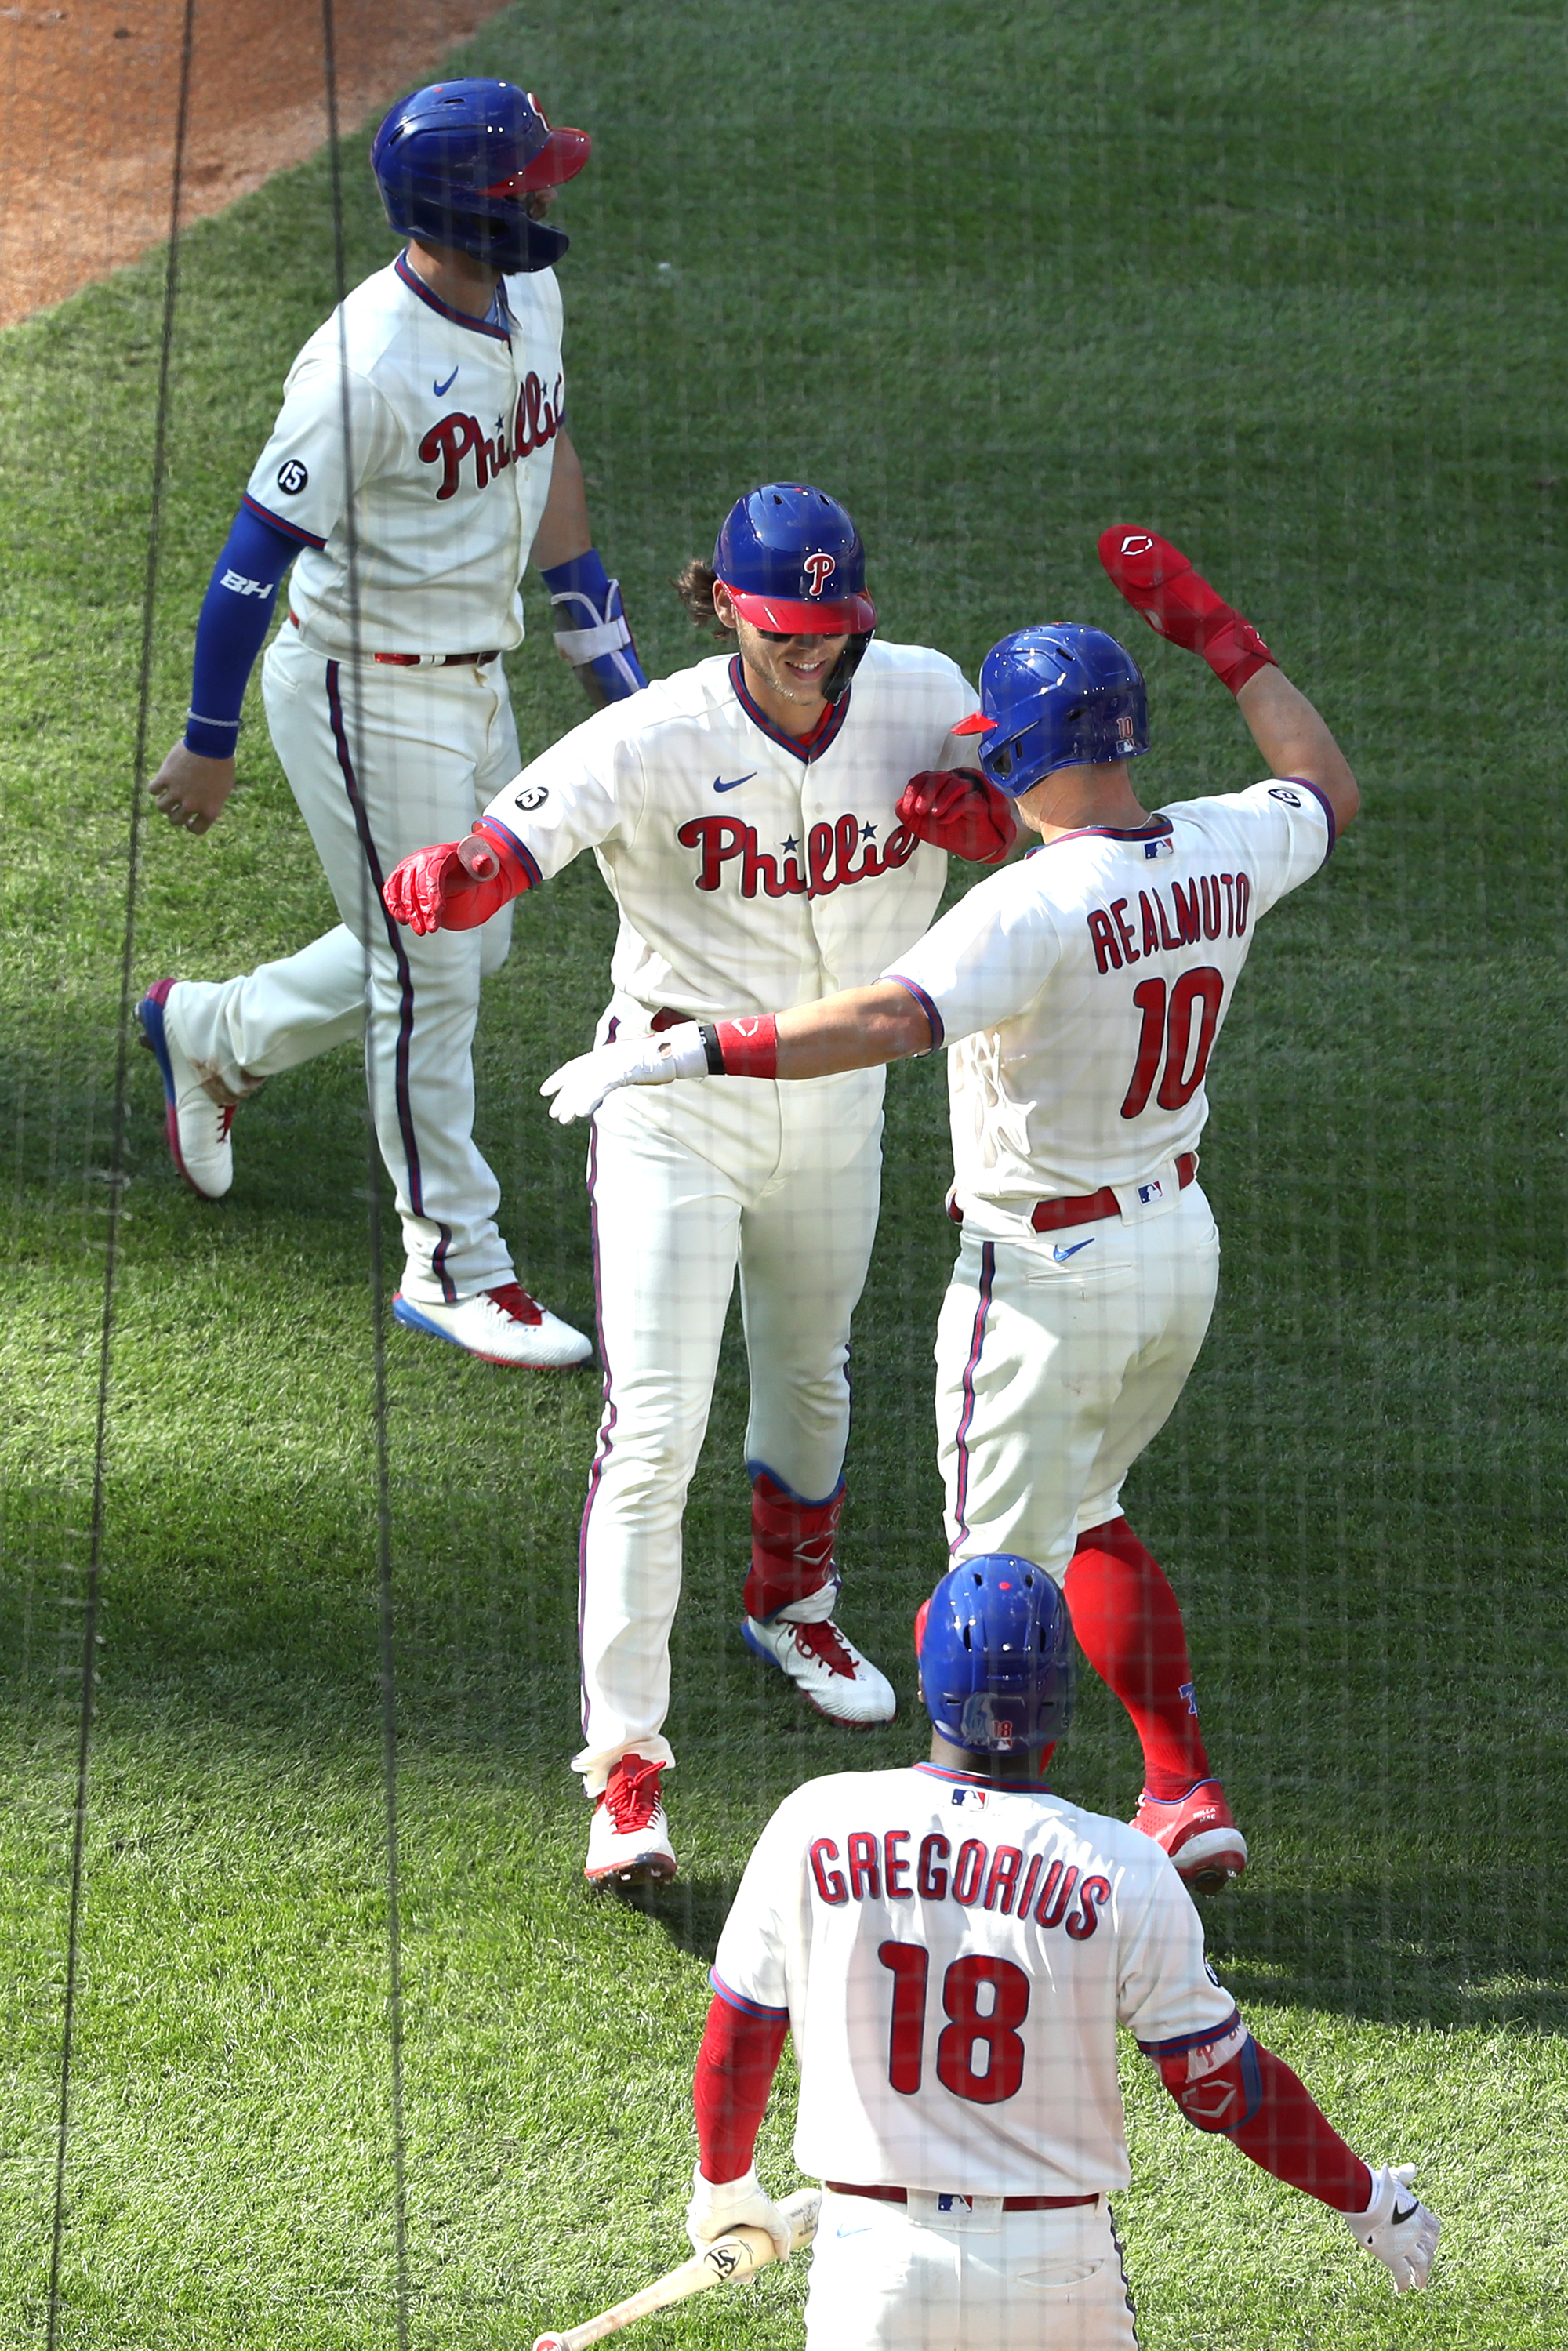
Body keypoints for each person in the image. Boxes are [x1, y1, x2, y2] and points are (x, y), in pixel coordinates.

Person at [538, 528, 1362, 1887]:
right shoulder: (1231, 840)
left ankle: (982, 1854)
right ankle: (1182, 1785)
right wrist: (1227, 638)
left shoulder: (1033, 905)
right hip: (1178, 1249)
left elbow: (876, 1018)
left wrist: (689, 1046)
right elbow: (1321, 781)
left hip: (1043, 1278)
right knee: (1092, 1507)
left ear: (1023, 755)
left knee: (991, 1590)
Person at [381, 483, 1018, 1882]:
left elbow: (1027, 801)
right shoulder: (654, 729)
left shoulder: (918, 688)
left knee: (814, 1371)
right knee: (655, 1424)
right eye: (784, 626)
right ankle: (624, 1767)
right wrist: (458, 877)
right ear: (721, 601)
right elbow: (516, 842)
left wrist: (985, 808)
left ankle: (793, 1603)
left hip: (840, 1090)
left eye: (832, 626)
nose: (812, 652)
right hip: (673, 1100)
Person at [137, 78, 648, 1369]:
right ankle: (452, 1262)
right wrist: (209, 736)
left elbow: (548, 449)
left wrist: (601, 646)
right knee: (427, 975)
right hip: (360, 688)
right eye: (527, 183)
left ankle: (210, 1033)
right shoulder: (362, 368)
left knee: (461, 953)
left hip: (473, 674)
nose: (547, 197)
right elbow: (255, 557)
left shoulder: (527, 293)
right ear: (463, 207)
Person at [677, 1556, 1439, 2351]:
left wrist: (723, 2185)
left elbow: (740, 2035)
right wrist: (1365, 2196)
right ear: (1060, 1691)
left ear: (925, 1665)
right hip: (1052, 2272)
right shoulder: (1122, 1867)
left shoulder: (817, 1820)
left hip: (874, 2269)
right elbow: (1223, 2090)